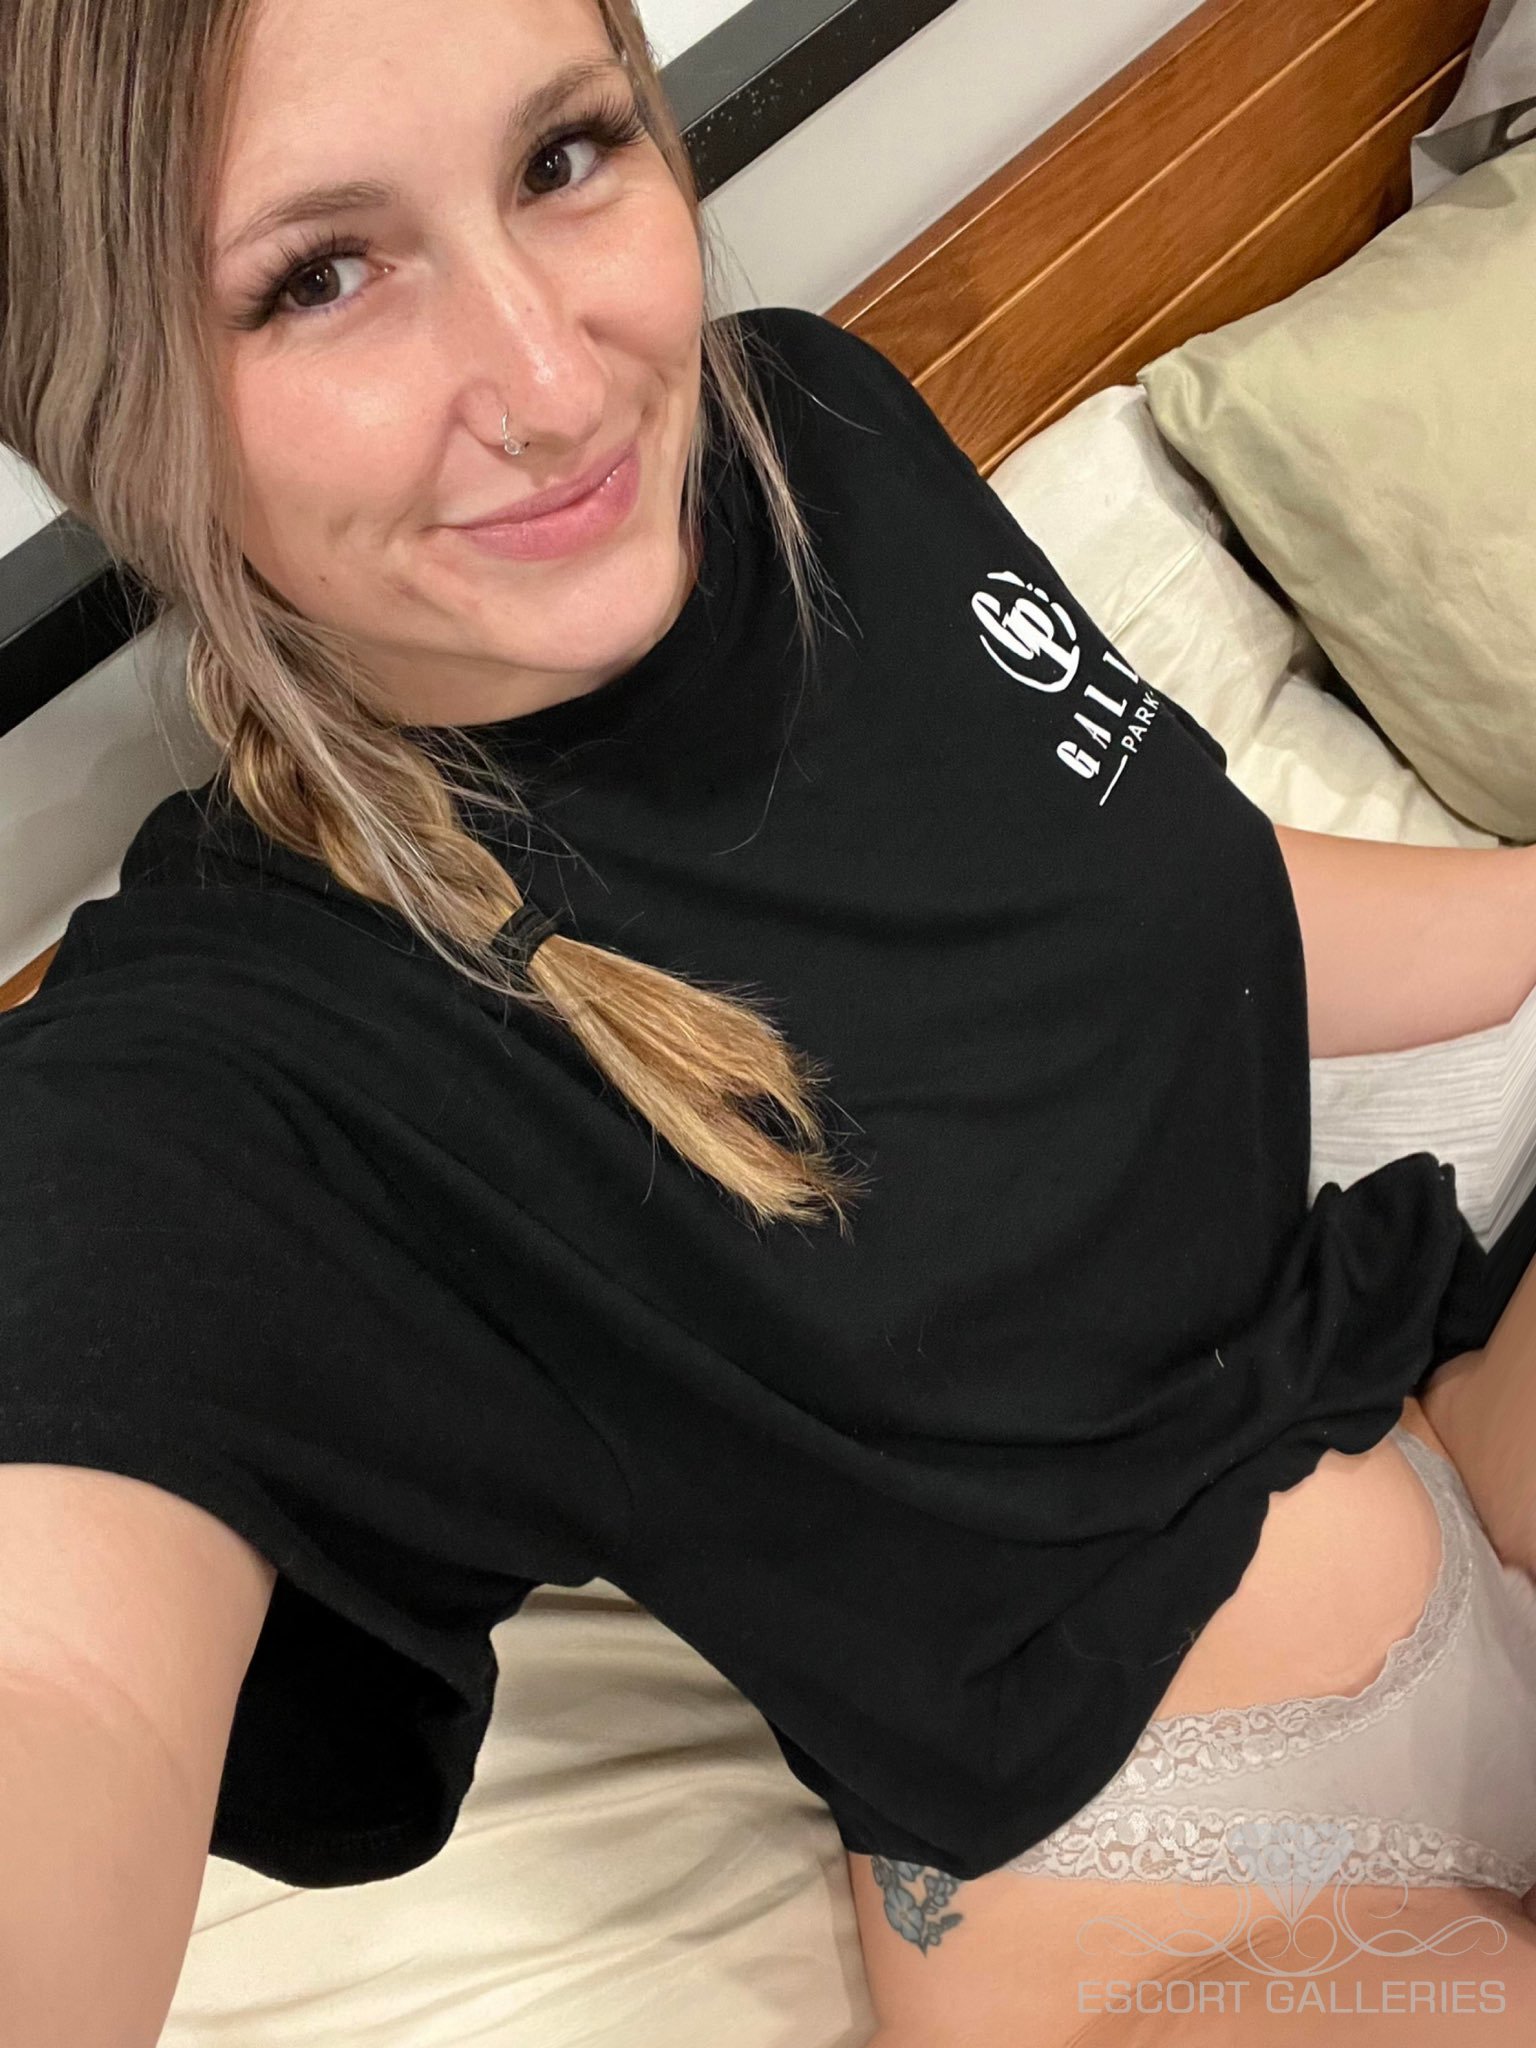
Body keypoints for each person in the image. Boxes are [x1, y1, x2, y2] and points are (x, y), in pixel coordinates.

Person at [1, 0, 1535, 2042]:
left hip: (1416, 1403)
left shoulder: (813, 430)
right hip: (1149, 1876)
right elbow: (60, 1672)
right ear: (112, 416)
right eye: (318, 277)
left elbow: (1154, 880)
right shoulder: (241, 1047)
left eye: (563, 157)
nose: (555, 385)